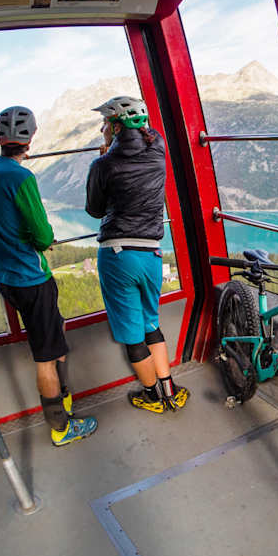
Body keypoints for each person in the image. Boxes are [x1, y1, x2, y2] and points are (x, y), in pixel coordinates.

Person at [0, 105, 97, 446]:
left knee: (53, 339)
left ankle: (65, 401)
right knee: (45, 356)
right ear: (30, 140)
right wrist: (40, 241)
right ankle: (61, 427)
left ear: (0, 140)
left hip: (6, 277)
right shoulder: (21, 177)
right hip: (32, 278)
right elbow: (43, 236)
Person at [87, 95, 188, 414]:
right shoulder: (158, 148)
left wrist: (106, 152)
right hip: (152, 254)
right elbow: (146, 133)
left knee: (133, 335)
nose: (103, 128)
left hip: (118, 256)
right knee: (151, 324)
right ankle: (171, 390)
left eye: (106, 123)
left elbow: (95, 210)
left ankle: (152, 397)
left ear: (115, 126)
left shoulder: (104, 165)